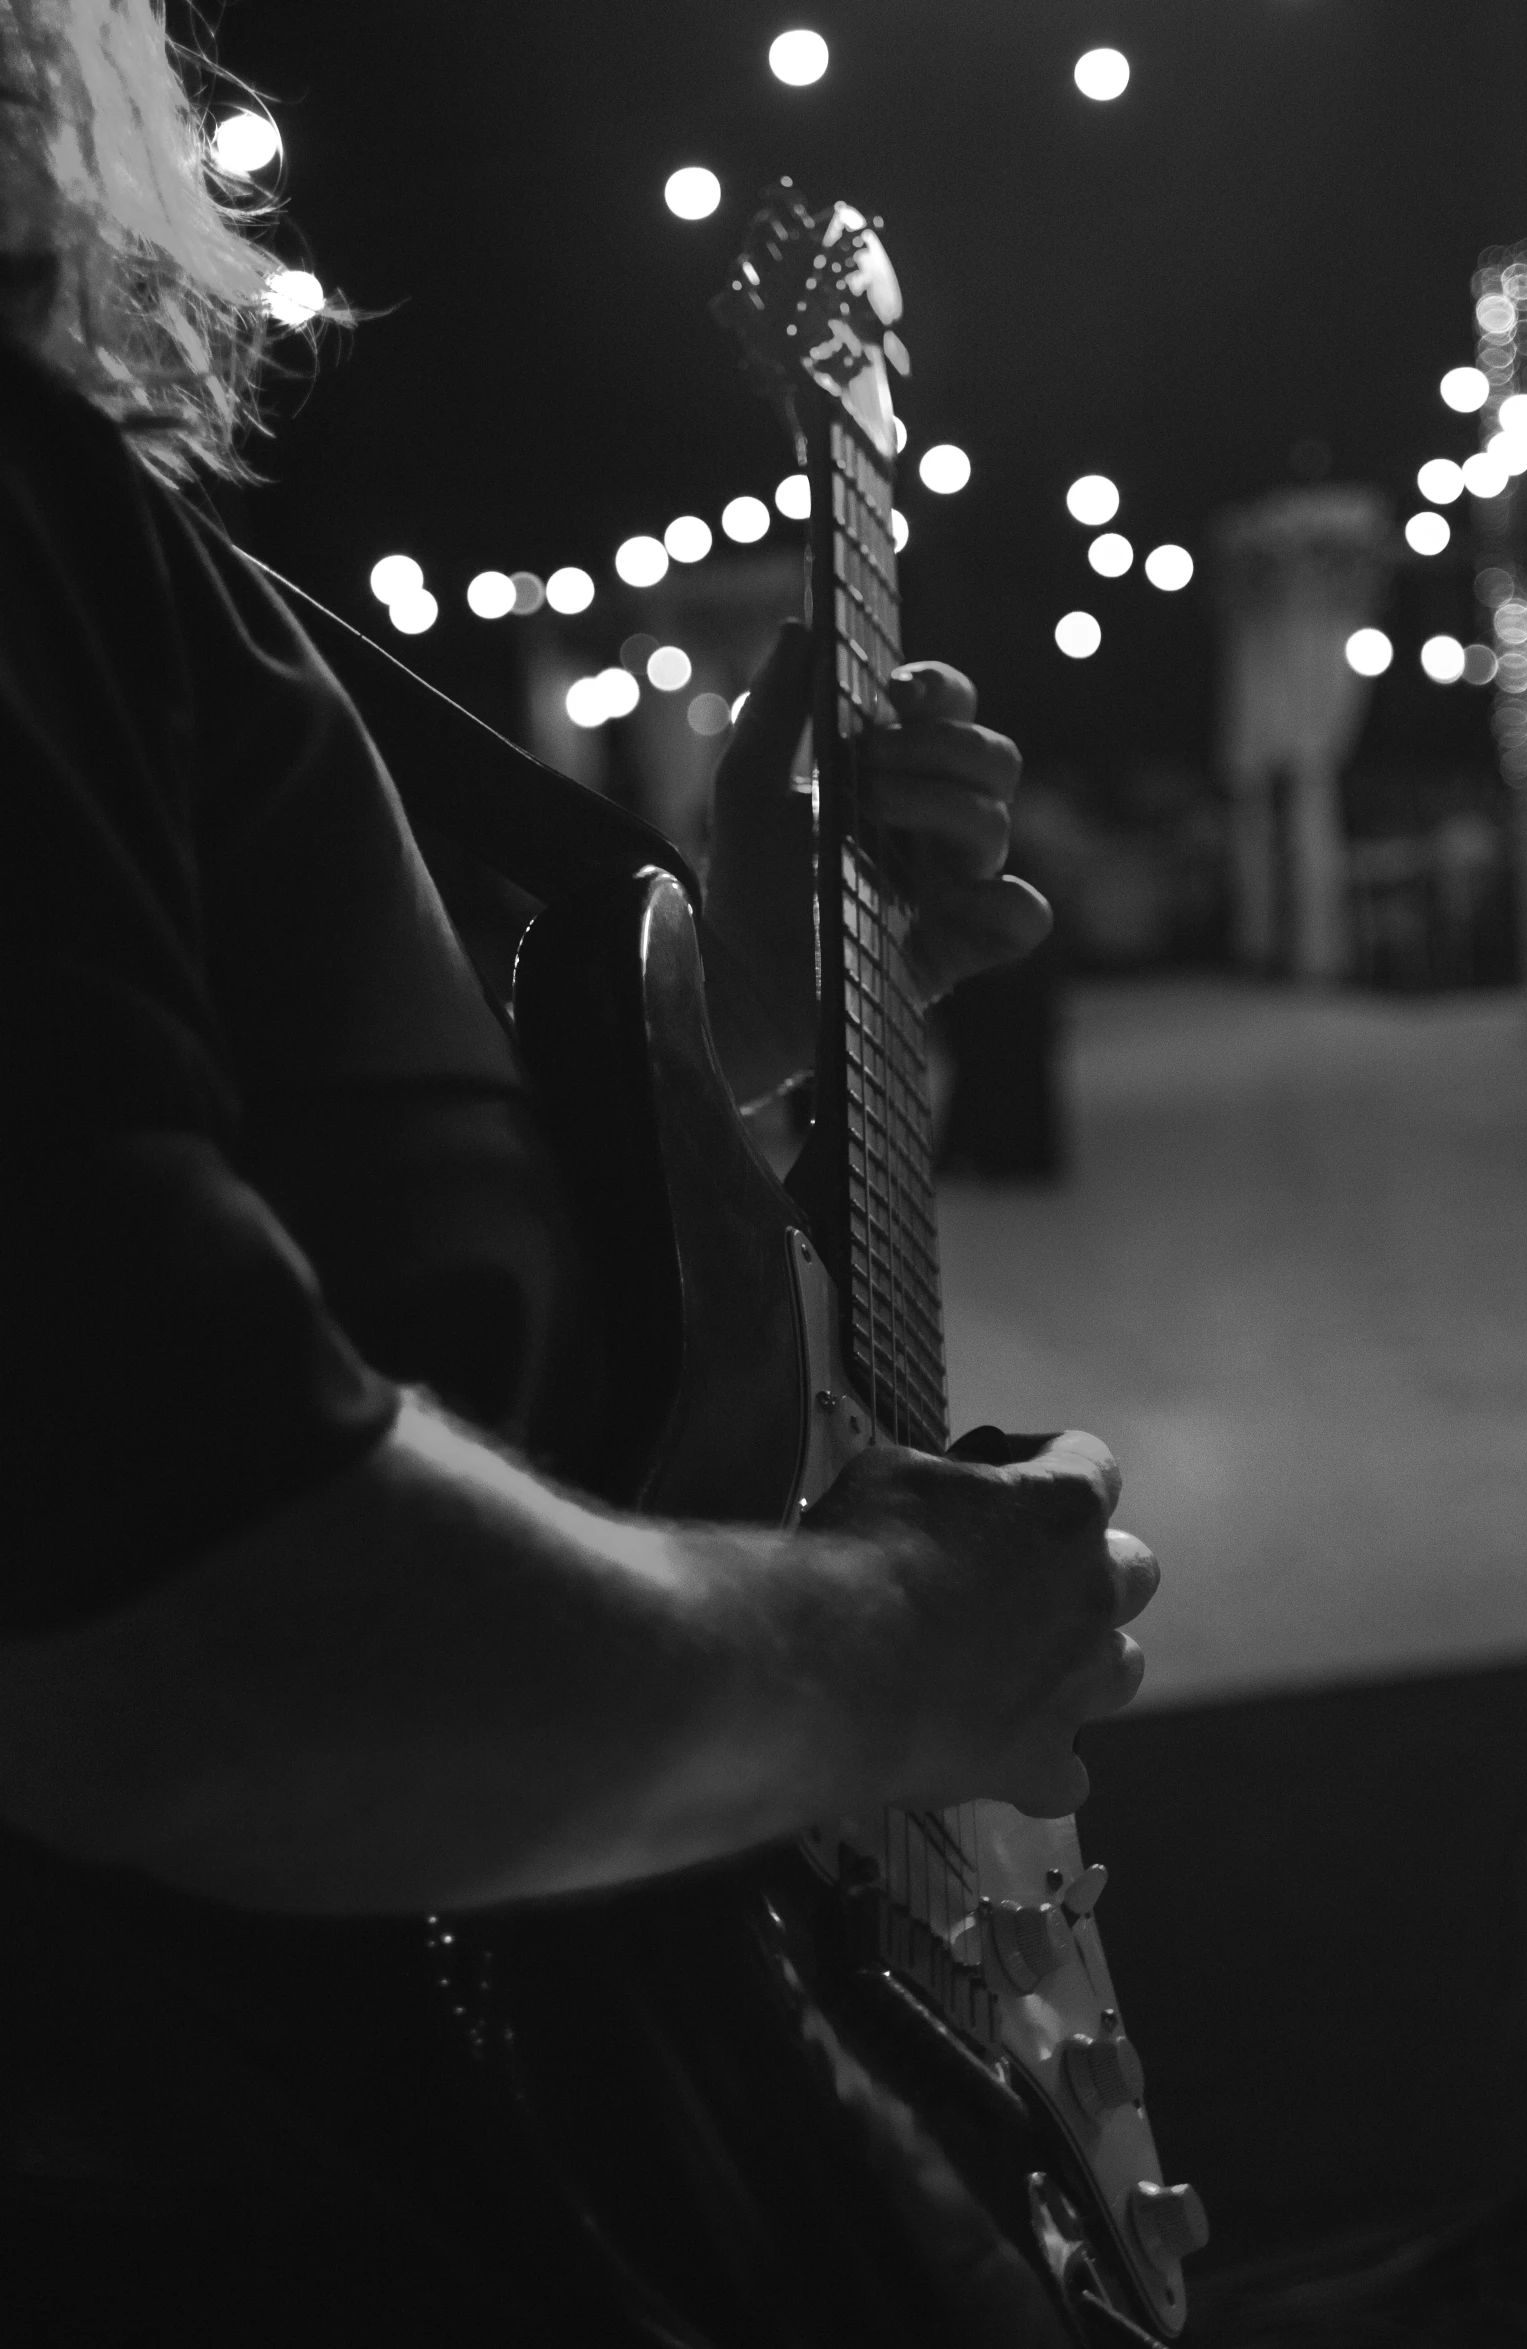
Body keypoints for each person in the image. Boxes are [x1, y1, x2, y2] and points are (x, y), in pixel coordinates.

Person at [0, 4, 1159, 2340]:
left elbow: (341, 1256)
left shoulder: (93, 524)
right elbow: (195, 1638)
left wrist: (728, 994)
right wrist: (898, 1655)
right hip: (309, 2197)